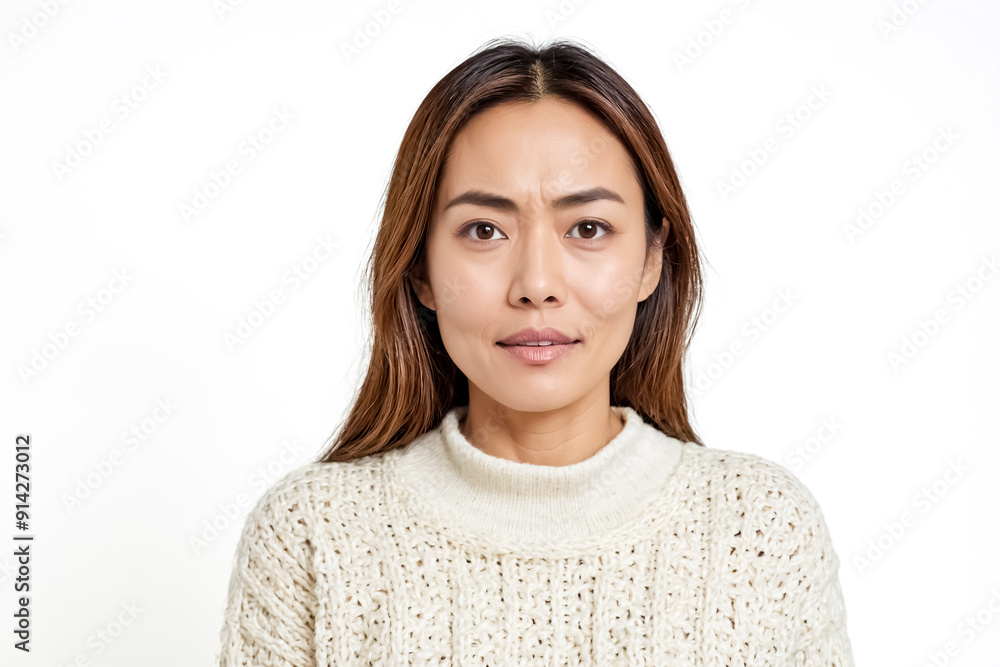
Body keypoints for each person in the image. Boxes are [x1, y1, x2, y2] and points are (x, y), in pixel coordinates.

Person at [217, 37, 854, 665]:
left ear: (652, 260)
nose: (538, 286)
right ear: (420, 270)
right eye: (484, 230)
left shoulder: (763, 531)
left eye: (588, 228)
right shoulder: (310, 537)